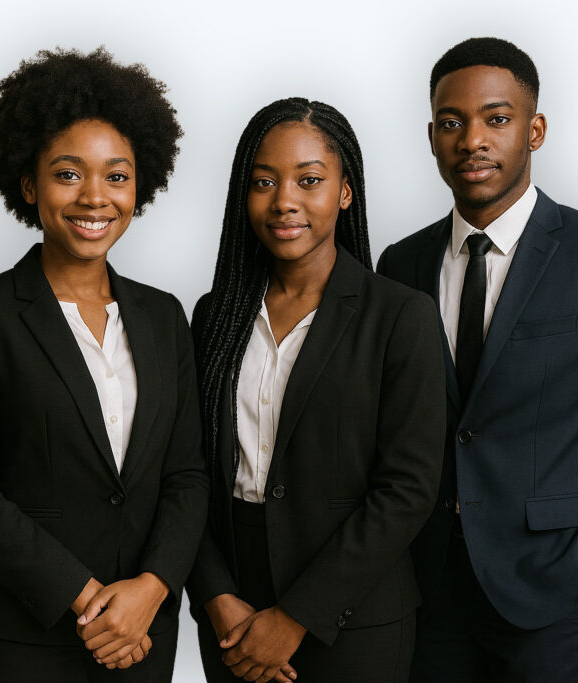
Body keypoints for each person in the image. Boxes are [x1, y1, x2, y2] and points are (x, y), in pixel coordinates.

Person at [376, 37, 578, 682]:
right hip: (424, 596)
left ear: (534, 130)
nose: (472, 141)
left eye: (497, 118)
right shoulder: (400, 265)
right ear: (431, 137)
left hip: (551, 600)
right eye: (452, 123)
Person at [0, 47, 208, 682]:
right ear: (28, 185)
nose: (95, 197)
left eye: (117, 176)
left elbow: (187, 476)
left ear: (140, 185)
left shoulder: (164, 316)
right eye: (67, 174)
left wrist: (152, 588)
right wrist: (88, 601)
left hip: (143, 634)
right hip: (24, 638)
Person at [186, 97, 445, 683]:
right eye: (264, 182)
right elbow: (188, 471)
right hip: (232, 611)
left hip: (353, 617)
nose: (284, 200)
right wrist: (215, 595)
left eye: (309, 180)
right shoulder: (215, 317)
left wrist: (299, 616)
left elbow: (407, 489)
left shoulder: (399, 315)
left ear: (345, 192)